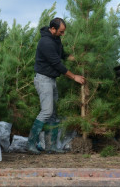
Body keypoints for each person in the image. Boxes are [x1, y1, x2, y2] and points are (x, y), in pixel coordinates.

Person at [28, 17, 85, 154]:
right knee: (46, 111)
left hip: (52, 80)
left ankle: (51, 146)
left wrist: (75, 57)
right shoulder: (45, 42)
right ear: (53, 29)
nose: (63, 34)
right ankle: (31, 143)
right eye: (61, 31)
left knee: (53, 114)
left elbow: (61, 55)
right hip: (43, 80)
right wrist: (74, 77)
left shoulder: (55, 39)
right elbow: (57, 64)